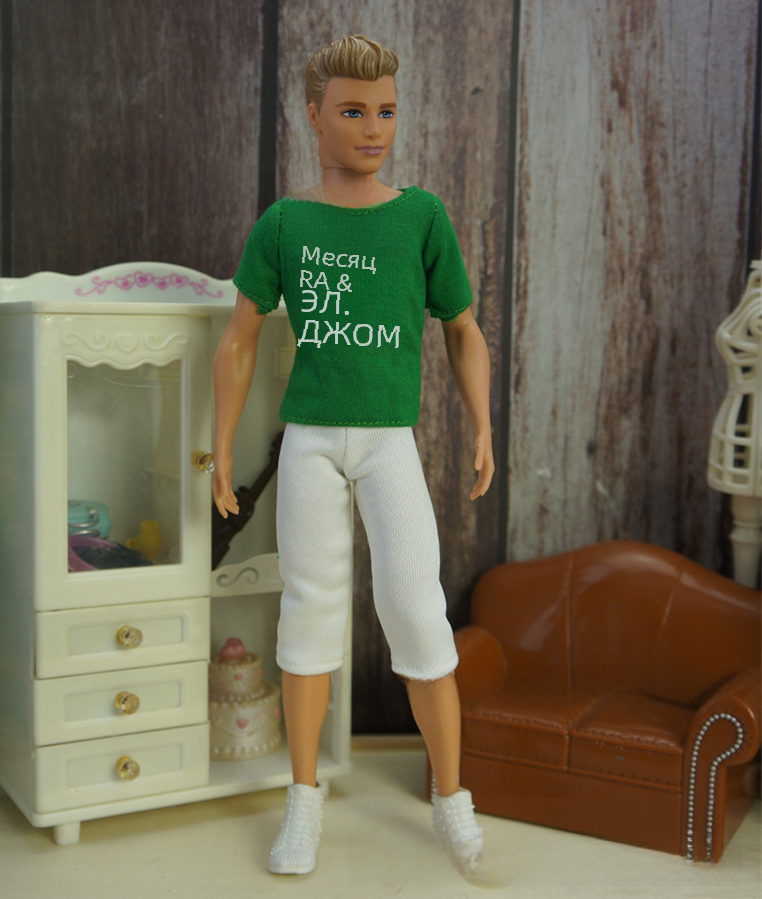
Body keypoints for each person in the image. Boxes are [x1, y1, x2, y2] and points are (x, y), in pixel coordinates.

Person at [212, 34, 494, 877]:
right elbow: (239, 339)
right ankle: (303, 802)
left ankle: (452, 798)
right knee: (307, 613)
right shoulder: (286, 223)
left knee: (416, 609)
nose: (374, 128)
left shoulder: (422, 216)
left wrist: (482, 423)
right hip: (309, 441)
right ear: (314, 115)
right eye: (353, 111)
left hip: (386, 440)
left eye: (386, 111)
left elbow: (463, 328)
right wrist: (219, 447)